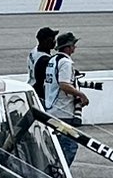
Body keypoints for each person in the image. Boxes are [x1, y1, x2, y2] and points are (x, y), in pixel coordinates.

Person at [39, 31, 91, 164]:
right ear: (68, 47)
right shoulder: (65, 63)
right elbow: (64, 85)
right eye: (73, 45)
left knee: (55, 148)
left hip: (51, 109)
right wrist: (80, 95)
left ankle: (55, 173)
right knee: (70, 146)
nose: (75, 48)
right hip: (63, 112)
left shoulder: (52, 60)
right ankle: (61, 177)